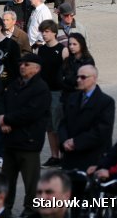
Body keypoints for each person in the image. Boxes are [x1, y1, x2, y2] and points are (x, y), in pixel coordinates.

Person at [0, 53, 51, 215]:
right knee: (6, 180)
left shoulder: (41, 88)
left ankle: (31, 209)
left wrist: (7, 119)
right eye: (21, 63)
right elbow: (3, 102)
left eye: (27, 64)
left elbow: (31, 113)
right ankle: (4, 208)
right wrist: (4, 121)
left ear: (37, 68)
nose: (22, 66)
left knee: (31, 182)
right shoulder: (15, 84)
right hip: (10, 141)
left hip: (29, 141)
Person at [57, 65, 114, 171]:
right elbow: (63, 123)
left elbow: (102, 131)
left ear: (94, 78)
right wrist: (64, 141)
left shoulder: (106, 101)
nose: (78, 80)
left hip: (92, 159)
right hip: (70, 157)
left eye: (83, 77)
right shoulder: (72, 98)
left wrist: (76, 142)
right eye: (77, 77)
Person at [36, 20, 65, 168]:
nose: (44, 34)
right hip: (45, 92)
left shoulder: (62, 50)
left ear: (54, 32)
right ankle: (54, 156)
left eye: (47, 31)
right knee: (49, 127)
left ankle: (64, 156)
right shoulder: (41, 50)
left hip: (58, 92)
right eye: (43, 32)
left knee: (58, 125)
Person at [60, 33, 95, 102]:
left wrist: (67, 79)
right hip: (67, 97)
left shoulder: (88, 60)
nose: (71, 47)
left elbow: (83, 80)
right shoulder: (67, 60)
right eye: (70, 44)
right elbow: (60, 78)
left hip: (81, 97)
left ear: (81, 44)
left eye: (74, 44)